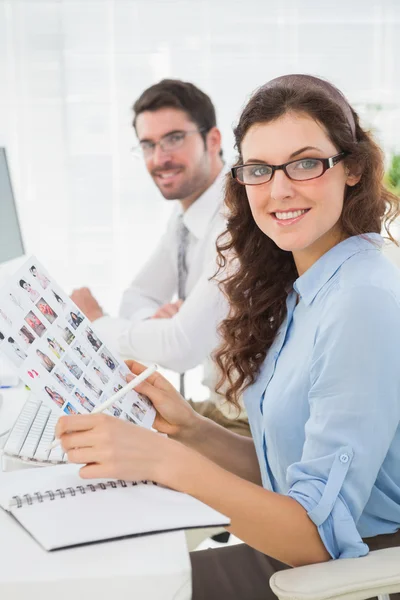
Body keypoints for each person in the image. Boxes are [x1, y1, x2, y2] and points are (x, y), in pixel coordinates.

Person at [56, 74, 400, 598]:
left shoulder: (361, 299)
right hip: (296, 557)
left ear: (351, 168)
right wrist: (190, 429)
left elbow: (319, 538)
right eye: (259, 169)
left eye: (306, 163)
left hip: (343, 573)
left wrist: (161, 461)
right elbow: (284, 473)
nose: (279, 189)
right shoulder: (308, 285)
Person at [70, 79, 249, 436]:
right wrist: (155, 323)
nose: (160, 158)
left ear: (212, 140)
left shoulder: (235, 219)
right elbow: (137, 297)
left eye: (174, 139)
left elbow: (181, 349)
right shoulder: (184, 219)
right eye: (148, 145)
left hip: (248, 427)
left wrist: (97, 323)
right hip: (218, 409)